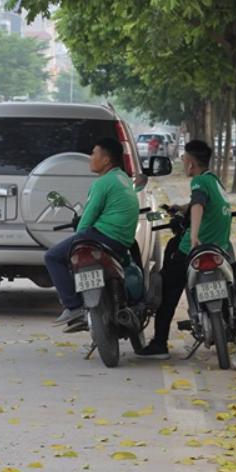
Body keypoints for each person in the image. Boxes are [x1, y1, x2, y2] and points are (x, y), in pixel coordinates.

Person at [136, 139, 231, 360]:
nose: (183, 162)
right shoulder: (215, 181)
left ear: (190, 164)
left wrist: (194, 235)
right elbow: (200, 204)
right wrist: (181, 208)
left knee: (166, 290)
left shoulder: (198, 182)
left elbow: (198, 204)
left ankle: (159, 342)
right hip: (219, 247)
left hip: (193, 248)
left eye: (184, 159)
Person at [44, 137, 139, 330]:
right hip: (123, 241)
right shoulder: (123, 178)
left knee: (52, 256)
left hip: (103, 236)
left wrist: (79, 236)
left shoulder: (102, 183)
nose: (90, 158)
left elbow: (88, 217)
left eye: (94, 153)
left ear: (106, 160)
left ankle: (73, 306)